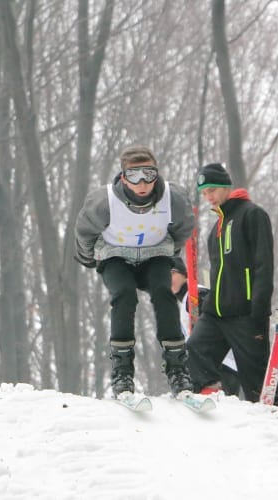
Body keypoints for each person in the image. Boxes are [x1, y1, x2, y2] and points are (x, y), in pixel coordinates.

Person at [75, 145, 195, 399]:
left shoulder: (172, 197)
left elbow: (184, 227)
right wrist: (88, 258)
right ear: (123, 177)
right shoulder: (103, 200)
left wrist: (170, 248)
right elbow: (84, 231)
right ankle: (122, 372)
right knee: (124, 294)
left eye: (148, 175)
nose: (142, 184)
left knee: (164, 292)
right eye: (133, 176)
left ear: (157, 174)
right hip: (116, 255)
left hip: (155, 255)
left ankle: (177, 368)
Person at [186, 163, 274, 403]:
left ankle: (273, 427)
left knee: (256, 383)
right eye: (204, 193)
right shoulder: (215, 227)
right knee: (194, 348)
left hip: (246, 313)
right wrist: (208, 302)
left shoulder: (252, 214)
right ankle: (210, 399)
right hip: (216, 312)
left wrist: (259, 309)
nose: (209, 197)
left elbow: (264, 266)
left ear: (226, 187)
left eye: (212, 190)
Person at [170, 257, 241, 396]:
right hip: (211, 366)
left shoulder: (196, 294)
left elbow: (216, 327)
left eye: (172, 273)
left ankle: (208, 389)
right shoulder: (185, 300)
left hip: (220, 366)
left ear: (184, 274)